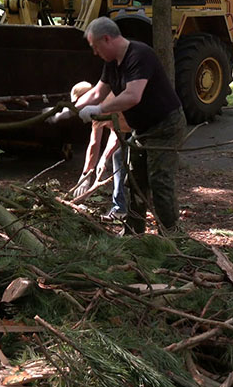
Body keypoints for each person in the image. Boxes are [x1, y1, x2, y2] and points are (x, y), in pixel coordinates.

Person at [75, 17, 186, 234]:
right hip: (142, 130)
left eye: (96, 47)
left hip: (165, 126)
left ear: (107, 39)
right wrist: (71, 108)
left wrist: (98, 110)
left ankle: (172, 237)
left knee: (159, 182)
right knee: (134, 181)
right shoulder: (111, 63)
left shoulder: (139, 55)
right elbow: (98, 92)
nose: (95, 53)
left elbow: (132, 96)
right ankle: (133, 232)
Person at [70, 81, 130, 221]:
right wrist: (91, 169)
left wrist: (87, 174)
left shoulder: (104, 105)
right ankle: (122, 207)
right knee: (117, 157)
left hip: (139, 130)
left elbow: (96, 143)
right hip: (125, 131)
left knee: (119, 159)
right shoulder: (99, 109)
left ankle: (120, 209)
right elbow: (114, 130)